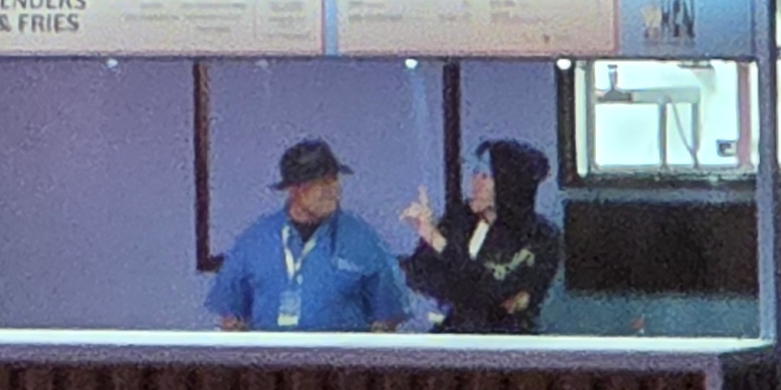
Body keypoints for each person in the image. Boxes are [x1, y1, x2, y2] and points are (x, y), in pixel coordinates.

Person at [205, 139, 413, 332]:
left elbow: (388, 316)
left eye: (334, 180)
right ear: (295, 189)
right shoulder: (255, 241)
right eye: (321, 182)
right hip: (269, 357)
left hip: (341, 358)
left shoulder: (363, 240)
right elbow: (231, 316)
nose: (332, 190)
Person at [401, 138, 562, 333]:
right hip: (451, 335)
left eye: (486, 176)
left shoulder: (540, 237)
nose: (475, 182)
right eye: (475, 172)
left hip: (506, 340)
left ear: (509, 184)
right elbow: (421, 274)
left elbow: (492, 293)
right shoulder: (459, 220)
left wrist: (437, 241)